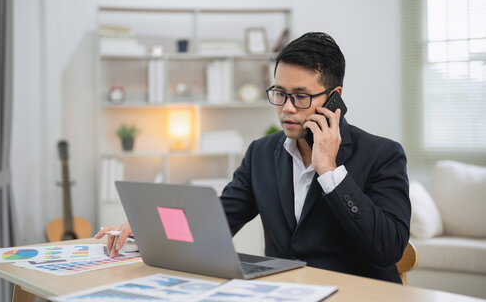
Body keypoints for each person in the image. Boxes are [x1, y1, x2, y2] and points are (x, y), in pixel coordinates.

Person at [96, 32, 411, 283]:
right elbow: (217, 223)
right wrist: (147, 228)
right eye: (280, 93)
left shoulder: (383, 154)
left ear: (334, 98)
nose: (286, 107)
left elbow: (388, 248)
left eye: (301, 96)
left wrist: (329, 170)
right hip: (285, 293)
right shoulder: (262, 153)